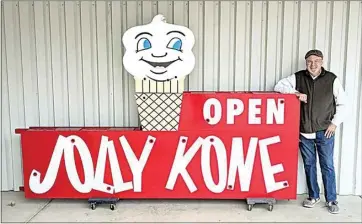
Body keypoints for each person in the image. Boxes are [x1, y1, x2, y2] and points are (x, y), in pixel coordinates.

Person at [274, 49, 347, 214]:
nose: (313, 65)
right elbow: (278, 86)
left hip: (325, 131)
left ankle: (331, 199)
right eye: (309, 62)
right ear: (306, 63)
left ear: (322, 62)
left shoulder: (331, 79)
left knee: (327, 165)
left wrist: (334, 123)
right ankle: (313, 196)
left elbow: (343, 104)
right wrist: (296, 93)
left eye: (316, 61)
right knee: (309, 165)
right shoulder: (298, 77)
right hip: (305, 131)